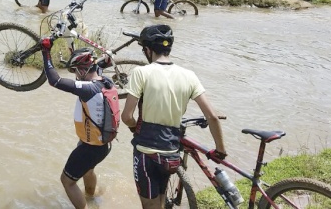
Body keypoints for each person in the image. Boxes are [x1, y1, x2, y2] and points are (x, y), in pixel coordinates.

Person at [122, 25, 226, 209]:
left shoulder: (141, 73)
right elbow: (212, 117)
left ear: (147, 50)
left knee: (149, 205)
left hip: (147, 153)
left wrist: (133, 129)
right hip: (171, 152)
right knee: (161, 200)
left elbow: (127, 116)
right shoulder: (189, 75)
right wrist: (220, 150)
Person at [39, 38, 115, 209]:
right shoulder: (105, 81)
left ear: (82, 70)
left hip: (90, 148)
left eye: (76, 71)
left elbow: (55, 80)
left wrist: (46, 52)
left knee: (67, 181)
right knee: (88, 170)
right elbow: (103, 63)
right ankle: (91, 198)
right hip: (104, 143)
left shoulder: (88, 89)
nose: (75, 75)